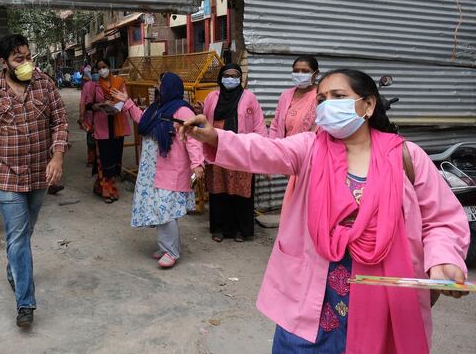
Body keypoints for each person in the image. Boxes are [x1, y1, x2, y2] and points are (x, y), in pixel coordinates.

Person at [180, 69, 470, 353]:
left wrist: (444, 259)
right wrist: (215, 137)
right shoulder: (309, 148)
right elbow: (263, 150)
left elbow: (441, 220)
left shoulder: (407, 156)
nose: (328, 105)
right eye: (321, 99)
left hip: (382, 299)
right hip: (313, 298)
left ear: (368, 105)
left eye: (338, 96)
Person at [0, 34, 68, 328]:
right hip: (5, 174)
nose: (26, 64)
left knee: (26, 231)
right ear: (4, 63)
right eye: (18, 59)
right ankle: (25, 303)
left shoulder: (45, 84)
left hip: (40, 172)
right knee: (17, 235)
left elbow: (60, 121)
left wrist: (58, 157)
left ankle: (15, 269)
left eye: (28, 57)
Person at [111, 73, 204, 268]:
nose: (157, 87)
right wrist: (127, 102)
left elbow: (193, 139)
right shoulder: (157, 108)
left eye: (161, 84)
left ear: (170, 87)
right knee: (160, 209)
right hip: (151, 170)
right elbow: (142, 120)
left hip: (171, 169)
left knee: (166, 211)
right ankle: (166, 247)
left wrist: (198, 164)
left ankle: (171, 252)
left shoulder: (183, 111)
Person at [202, 63, 266, 242]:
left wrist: (263, 153)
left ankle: (241, 230)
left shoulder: (249, 97)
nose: (230, 79)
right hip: (217, 150)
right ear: (221, 78)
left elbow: (259, 125)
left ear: (240, 78)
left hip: (241, 152)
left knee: (240, 191)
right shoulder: (212, 97)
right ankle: (220, 229)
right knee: (219, 190)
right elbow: (205, 123)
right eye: (227, 75)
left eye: (234, 75)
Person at [269, 55, 320, 211]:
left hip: (312, 158)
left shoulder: (321, 95)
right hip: (290, 156)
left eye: (305, 71)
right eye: (296, 70)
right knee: (295, 198)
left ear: (315, 74)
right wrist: (271, 152)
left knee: (312, 200)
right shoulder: (286, 95)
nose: (300, 74)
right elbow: (276, 123)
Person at [82, 59, 130, 203]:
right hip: (102, 126)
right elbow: (88, 104)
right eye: (100, 68)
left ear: (109, 67)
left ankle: (99, 186)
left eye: (105, 67)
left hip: (117, 125)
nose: (103, 70)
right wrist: (99, 106)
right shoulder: (93, 85)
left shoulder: (119, 82)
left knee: (115, 158)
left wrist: (117, 104)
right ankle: (108, 191)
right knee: (104, 159)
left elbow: (125, 99)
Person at [79, 70, 100, 167]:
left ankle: (92, 160)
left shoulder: (87, 85)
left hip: (93, 115)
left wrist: (81, 116)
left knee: (92, 137)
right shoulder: (99, 85)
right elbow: (83, 102)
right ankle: (95, 159)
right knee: (94, 137)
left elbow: (82, 102)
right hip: (95, 115)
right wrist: (81, 116)